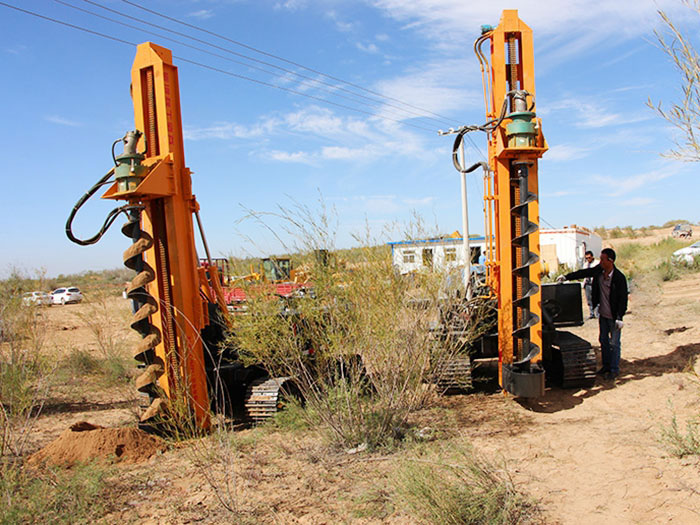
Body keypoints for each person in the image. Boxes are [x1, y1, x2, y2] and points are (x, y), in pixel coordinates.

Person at [558, 248, 628, 381]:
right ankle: (606, 366)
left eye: (603, 259)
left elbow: (622, 299)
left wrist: (620, 317)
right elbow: (585, 272)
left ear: (610, 261)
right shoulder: (599, 271)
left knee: (614, 343)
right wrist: (567, 276)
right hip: (603, 315)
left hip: (614, 317)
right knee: (603, 341)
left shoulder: (619, 278)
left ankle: (614, 369)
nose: (600, 261)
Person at [582, 250, 598, 319]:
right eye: (586, 258)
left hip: (594, 284)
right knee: (589, 299)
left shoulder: (597, 263)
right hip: (587, 284)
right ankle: (591, 313)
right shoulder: (585, 265)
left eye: (589, 257)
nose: (588, 259)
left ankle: (597, 313)